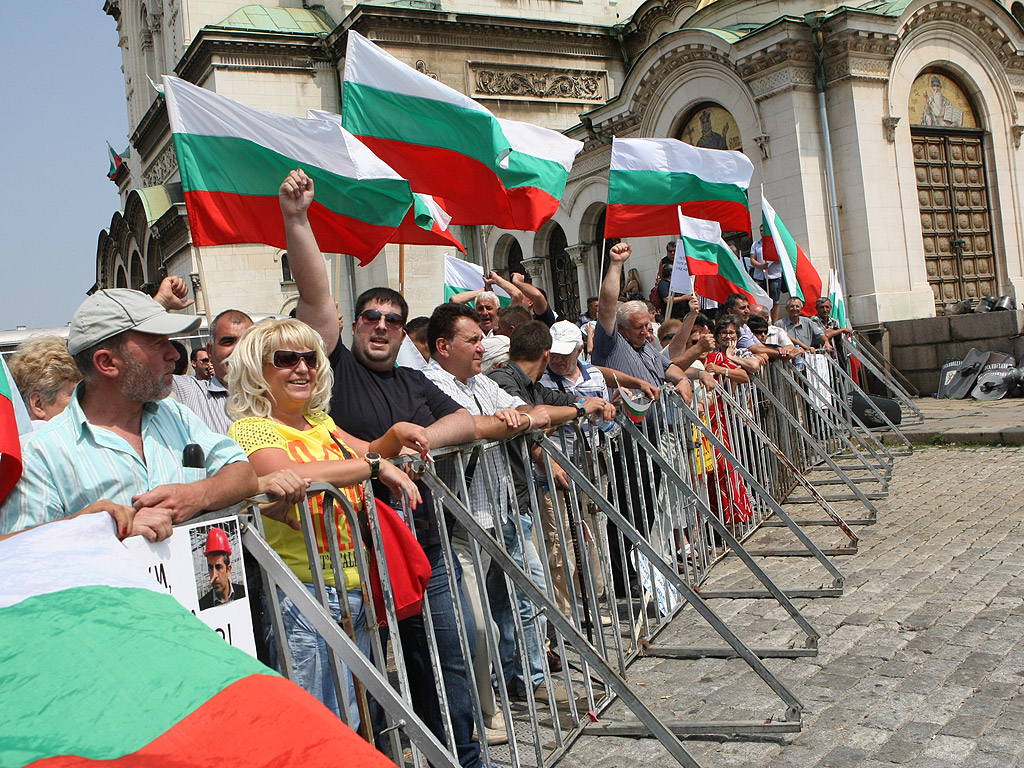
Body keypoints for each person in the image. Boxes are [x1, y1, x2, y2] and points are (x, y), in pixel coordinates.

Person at [279, 168, 482, 768]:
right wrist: (297, 220)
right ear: (354, 324)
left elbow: (466, 423)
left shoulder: (418, 380)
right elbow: (318, 302)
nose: (382, 326)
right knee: (362, 680)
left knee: (445, 659)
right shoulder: (333, 368)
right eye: (371, 316)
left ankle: (461, 759)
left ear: (404, 331)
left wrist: (420, 438)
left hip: (423, 546)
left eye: (394, 319)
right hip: (354, 552)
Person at [226, 317, 423, 727]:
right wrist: (374, 467)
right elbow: (297, 475)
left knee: (352, 717)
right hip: (306, 591)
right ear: (256, 371)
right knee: (320, 721)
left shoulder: (322, 424)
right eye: (285, 359)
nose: (302, 368)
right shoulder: (252, 429)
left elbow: (368, 450)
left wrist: (395, 435)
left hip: (353, 586)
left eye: (310, 358)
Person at [0, 288, 259, 541]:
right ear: (107, 363)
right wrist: (97, 528)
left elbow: (243, 475)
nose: (174, 354)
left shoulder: (175, 415)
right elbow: (16, 554)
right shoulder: (40, 454)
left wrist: (197, 494)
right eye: (158, 343)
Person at [423, 302, 552, 743]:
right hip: (461, 524)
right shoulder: (427, 385)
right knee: (477, 624)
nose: (484, 346)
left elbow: (532, 413)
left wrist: (519, 418)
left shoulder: (482, 383)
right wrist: (498, 425)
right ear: (443, 346)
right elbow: (471, 429)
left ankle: (511, 684)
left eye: (482, 338)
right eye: (473, 339)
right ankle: (483, 712)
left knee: (515, 607)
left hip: (501, 517)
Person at [172, 303, 255, 434]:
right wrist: (160, 303)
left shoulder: (276, 395)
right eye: (228, 342)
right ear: (210, 351)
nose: (238, 350)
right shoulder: (189, 392)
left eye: (246, 342)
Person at [7, 335, 81, 430]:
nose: (87, 404)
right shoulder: (55, 441)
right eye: (76, 395)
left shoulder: (14, 438)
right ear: (38, 404)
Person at [198, 526, 246, 609]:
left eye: (218, 567)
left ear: (229, 569)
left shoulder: (244, 593)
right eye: (210, 568)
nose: (214, 575)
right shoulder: (202, 605)